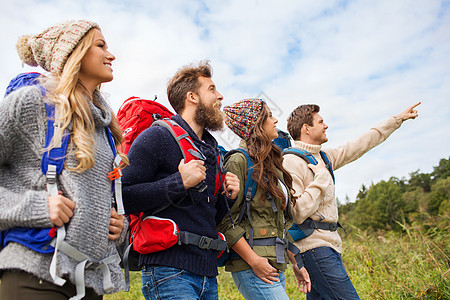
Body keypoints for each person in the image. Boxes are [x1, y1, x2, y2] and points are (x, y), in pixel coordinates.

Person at [0, 20, 129, 299]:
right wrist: (36, 206)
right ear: (74, 52)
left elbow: (93, 200)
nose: (111, 55)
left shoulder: (106, 128)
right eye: (100, 46)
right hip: (35, 276)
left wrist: (119, 225)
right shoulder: (32, 103)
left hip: (90, 282)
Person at [121, 61, 240, 300]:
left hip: (207, 273)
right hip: (168, 271)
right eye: (212, 89)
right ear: (192, 97)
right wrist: (179, 182)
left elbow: (207, 216)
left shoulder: (212, 151)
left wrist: (229, 196)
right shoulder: (157, 136)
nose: (220, 96)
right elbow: (123, 196)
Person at [283, 102, 420, 299]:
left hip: (329, 246)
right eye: (321, 122)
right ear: (306, 128)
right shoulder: (291, 162)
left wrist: (397, 119)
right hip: (314, 249)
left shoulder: (325, 157)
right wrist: (321, 179)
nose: (326, 125)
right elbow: (296, 212)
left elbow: (361, 143)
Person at [217, 98, 311, 300]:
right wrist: (254, 261)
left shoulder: (272, 165)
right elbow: (226, 221)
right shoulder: (238, 161)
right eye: (269, 116)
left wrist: (295, 262)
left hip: (274, 262)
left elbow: (280, 223)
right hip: (253, 266)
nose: (275, 120)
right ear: (255, 124)